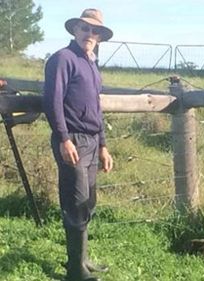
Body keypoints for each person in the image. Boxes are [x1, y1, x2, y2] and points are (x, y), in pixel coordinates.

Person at [43, 8, 113, 281]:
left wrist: (103, 145)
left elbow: (96, 106)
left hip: (93, 142)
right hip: (72, 139)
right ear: (75, 30)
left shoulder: (91, 63)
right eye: (85, 28)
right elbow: (53, 101)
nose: (90, 34)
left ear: (99, 37)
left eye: (95, 31)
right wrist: (63, 138)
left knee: (88, 201)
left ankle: (82, 259)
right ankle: (75, 271)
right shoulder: (63, 59)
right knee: (76, 204)